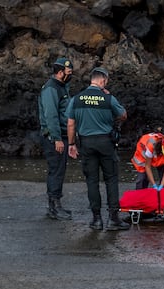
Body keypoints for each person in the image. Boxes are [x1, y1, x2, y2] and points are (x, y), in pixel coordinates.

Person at [66, 67, 129, 231]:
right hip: (105, 142)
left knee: (92, 181)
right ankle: (113, 218)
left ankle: (96, 219)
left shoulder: (77, 99)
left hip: (86, 143)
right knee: (111, 179)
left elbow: (71, 123)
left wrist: (71, 144)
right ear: (104, 81)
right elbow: (123, 115)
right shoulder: (108, 98)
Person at [38, 57, 74, 220]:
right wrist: (57, 138)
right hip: (55, 137)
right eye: (68, 72)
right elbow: (51, 115)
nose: (70, 75)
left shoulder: (61, 86)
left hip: (61, 135)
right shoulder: (51, 89)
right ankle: (54, 206)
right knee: (56, 170)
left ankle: (56, 205)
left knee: (59, 169)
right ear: (60, 73)